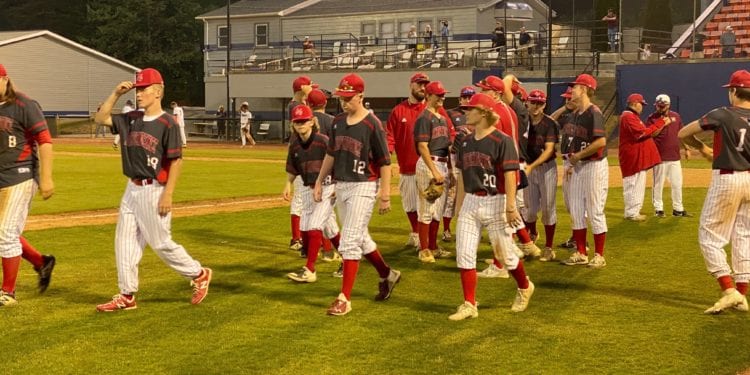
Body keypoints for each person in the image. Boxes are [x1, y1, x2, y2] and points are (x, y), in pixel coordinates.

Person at [93, 68, 212, 312]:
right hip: (131, 188)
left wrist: (168, 193)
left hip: (154, 189)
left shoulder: (167, 123)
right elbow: (100, 118)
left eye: (144, 89)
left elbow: (177, 160)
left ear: (157, 92)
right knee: (124, 242)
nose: (139, 94)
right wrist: (115, 94)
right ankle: (127, 295)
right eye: (138, 89)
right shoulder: (131, 118)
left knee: (160, 243)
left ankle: (198, 274)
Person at [313, 73, 401, 316]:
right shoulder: (338, 121)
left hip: (364, 186)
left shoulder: (373, 124)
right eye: (342, 97)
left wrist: (385, 194)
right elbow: (330, 154)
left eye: (349, 97)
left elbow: (385, 163)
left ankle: (344, 298)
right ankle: (387, 274)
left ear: (361, 96)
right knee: (361, 239)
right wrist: (320, 181)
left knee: (350, 240)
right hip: (341, 185)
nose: (344, 102)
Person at [448, 93, 534, 320]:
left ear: (484, 113)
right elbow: (463, 177)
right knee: (464, 253)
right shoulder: (465, 141)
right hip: (471, 201)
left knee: (506, 256)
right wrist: (458, 207)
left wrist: (511, 206)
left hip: (497, 200)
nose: (466, 112)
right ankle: (469, 303)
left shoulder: (502, 140)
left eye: (471, 109)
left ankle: (525, 286)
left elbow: (509, 175)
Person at [678, 69, 750, 314]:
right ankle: (742, 294)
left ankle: (729, 289)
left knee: (709, 236)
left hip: (728, 178)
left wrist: (701, 147)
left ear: (733, 91)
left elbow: (683, 133)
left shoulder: (722, 113)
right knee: (744, 236)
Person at [0, 63, 54, 306]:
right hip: (1, 177)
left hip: (20, 176)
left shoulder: (23, 104)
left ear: (5, 79)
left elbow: (44, 140)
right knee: (4, 232)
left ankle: (8, 292)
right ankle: (41, 262)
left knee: (6, 233)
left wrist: (47, 178)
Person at [386, 73, 455, 250]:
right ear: (411, 85)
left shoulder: (438, 113)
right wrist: (387, 157)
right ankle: (417, 234)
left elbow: (449, 135)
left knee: (432, 207)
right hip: (408, 167)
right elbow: (390, 137)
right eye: (419, 84)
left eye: (425, 84)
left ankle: (427, 243)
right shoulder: (398, 111)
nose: (422, 87)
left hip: (432, 166)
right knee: (410, 205)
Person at [283, 105, 341, 283]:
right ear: (293, 125)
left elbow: (338, 163)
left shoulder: (323, 141)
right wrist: (287, 184)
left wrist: (338, 186)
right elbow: (293, 168)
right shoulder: (295, 146)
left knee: (314, 225)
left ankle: (310, 269)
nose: (300, 124)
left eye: (303, 121)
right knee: (328, 227)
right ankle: (348, 259)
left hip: (327, 186)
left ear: (312, 122)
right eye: (297, 122)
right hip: (309, 187)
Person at [559, 74, 608, 268]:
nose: (572, 90)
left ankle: (599, 255)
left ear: (585, 89)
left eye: (576, 87)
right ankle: (580, 252)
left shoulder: (593, 112)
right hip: (577, 167)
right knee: (577, 210)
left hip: (593, 166)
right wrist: (573, 162)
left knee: (594, 210)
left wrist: (578, 156)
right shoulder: (575, 114)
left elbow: (601, 142)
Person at [414, 81, 452, 263]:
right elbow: (422, 146)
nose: (442, 98)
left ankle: (434, 246)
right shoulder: (424, 118)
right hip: (430, 165)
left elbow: (446, 145)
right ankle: (424, 249)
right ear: (428, 96)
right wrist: (434, 170)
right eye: (439, 95)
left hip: (442, 164)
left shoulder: (442, 118)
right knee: (427, 208)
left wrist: (448, 169)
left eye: (443, 94)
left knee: (438, 210)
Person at [523, 90, 560, 261]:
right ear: (527, 103)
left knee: (547, 209)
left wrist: (532, 166)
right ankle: (532, 235)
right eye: (533, 102)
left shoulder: (549, 124)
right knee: (529, 211)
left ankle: (549, 247)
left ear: (544, 105)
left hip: (546, 168)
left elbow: (549, 150)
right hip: (529, 168)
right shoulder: (523, 121)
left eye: (540, 103)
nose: (536, 106)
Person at [617, 93, 664, 221]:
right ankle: (632, 213)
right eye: (641, 104)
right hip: (632, 157)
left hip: (635, 156)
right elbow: (642, 133)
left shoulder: (631, 116)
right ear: (634, 104)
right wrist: (660, 123)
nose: (642, 107)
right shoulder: (628, 117)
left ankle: (632, 212)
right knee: (633, 184)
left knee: (635, 184)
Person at [287, 75, 318, 253]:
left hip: (306, 155)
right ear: (301, 88)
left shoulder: (300, 105)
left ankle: (305, 239)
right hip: (300, 157)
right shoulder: (296, 106)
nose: (311, 89)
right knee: (300, 199)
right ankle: (296, 238)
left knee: (309, 200)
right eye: (309, 86)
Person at [647, 94, 690, 217]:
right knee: (658, 184)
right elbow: (652, 134)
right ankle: (658, 209)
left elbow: (681, 133)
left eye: (662, 106)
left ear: (668, 105)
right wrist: (662, 124)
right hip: (659, 157)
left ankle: (678, 209)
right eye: (658, 106)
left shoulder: (676, 116)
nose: (660, 108)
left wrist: (687, 148)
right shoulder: (652, 117)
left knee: (677, 184)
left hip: (675, 157)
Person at [443, 86, 476, 241]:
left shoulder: (477, 113)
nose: (468, 100)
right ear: (460, 99)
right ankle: (446, 229)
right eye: (465, 97)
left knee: (471, 194)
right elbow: (447, 136)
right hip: (455, 156)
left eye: (470, 97)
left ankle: (467, 228)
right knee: (451, 195)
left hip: (471, 158)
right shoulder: (450, 113)